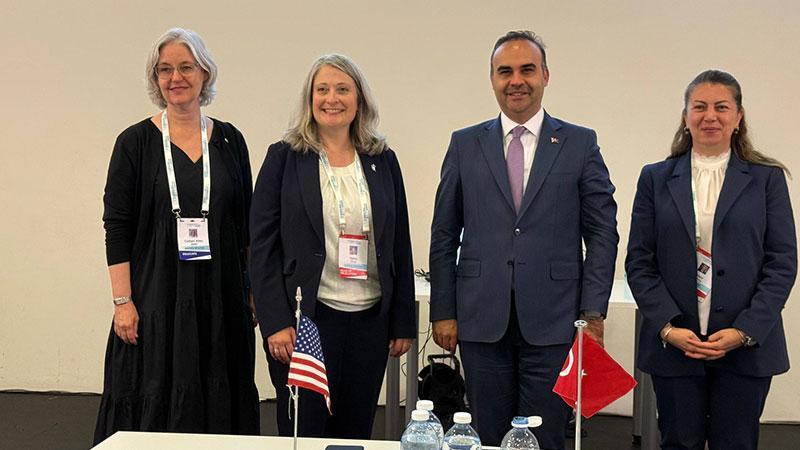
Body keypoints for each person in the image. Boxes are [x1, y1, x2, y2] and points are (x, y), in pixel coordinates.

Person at [429, 30, 619, 449]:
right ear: (492, 79)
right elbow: (443, 232)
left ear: (545, 75)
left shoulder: (579, 143)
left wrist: (592, 313)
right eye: (505, 71)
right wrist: (443, 311)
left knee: (545, 435)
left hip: (555, 320)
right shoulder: (464, 144)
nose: (516, 80)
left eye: (527, 70)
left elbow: (602, 233)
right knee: (487, 436)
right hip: (481, 319)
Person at [94, 28, 260, 444]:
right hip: (155, 298)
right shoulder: (134, 143)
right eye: (165, 69)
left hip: (221, 296)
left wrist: (253, 293)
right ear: (156, 79)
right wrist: (122, 302)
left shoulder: (231, 140)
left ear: (205, 73)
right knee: (153, 392)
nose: (176, 78)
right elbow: (117, 226)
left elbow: (247, 223)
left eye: (186, 67)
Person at [625, 69, 796, 450]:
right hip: (675, 345)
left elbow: (782, 263)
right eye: (699, 107)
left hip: (746, 347)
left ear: (738, 117)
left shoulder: (766, 180)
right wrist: (667, 328)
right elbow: (639, 261)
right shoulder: (654, 178)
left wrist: (744, 330)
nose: (710, 116)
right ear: (685, 117)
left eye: (721, 107)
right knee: (678, 442)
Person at [249, 53, 416, 439]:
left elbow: (399, 242)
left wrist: (402, 321)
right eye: (322, 89)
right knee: (304, 431)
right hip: (306, 321)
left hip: (369, 323)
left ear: (359, 100)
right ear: (310, 99)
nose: (332, 98)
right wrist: (275, 322)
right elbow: (261, 246)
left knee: (355, 432)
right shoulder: (285, 157)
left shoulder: (382, 160)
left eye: (343, 89)